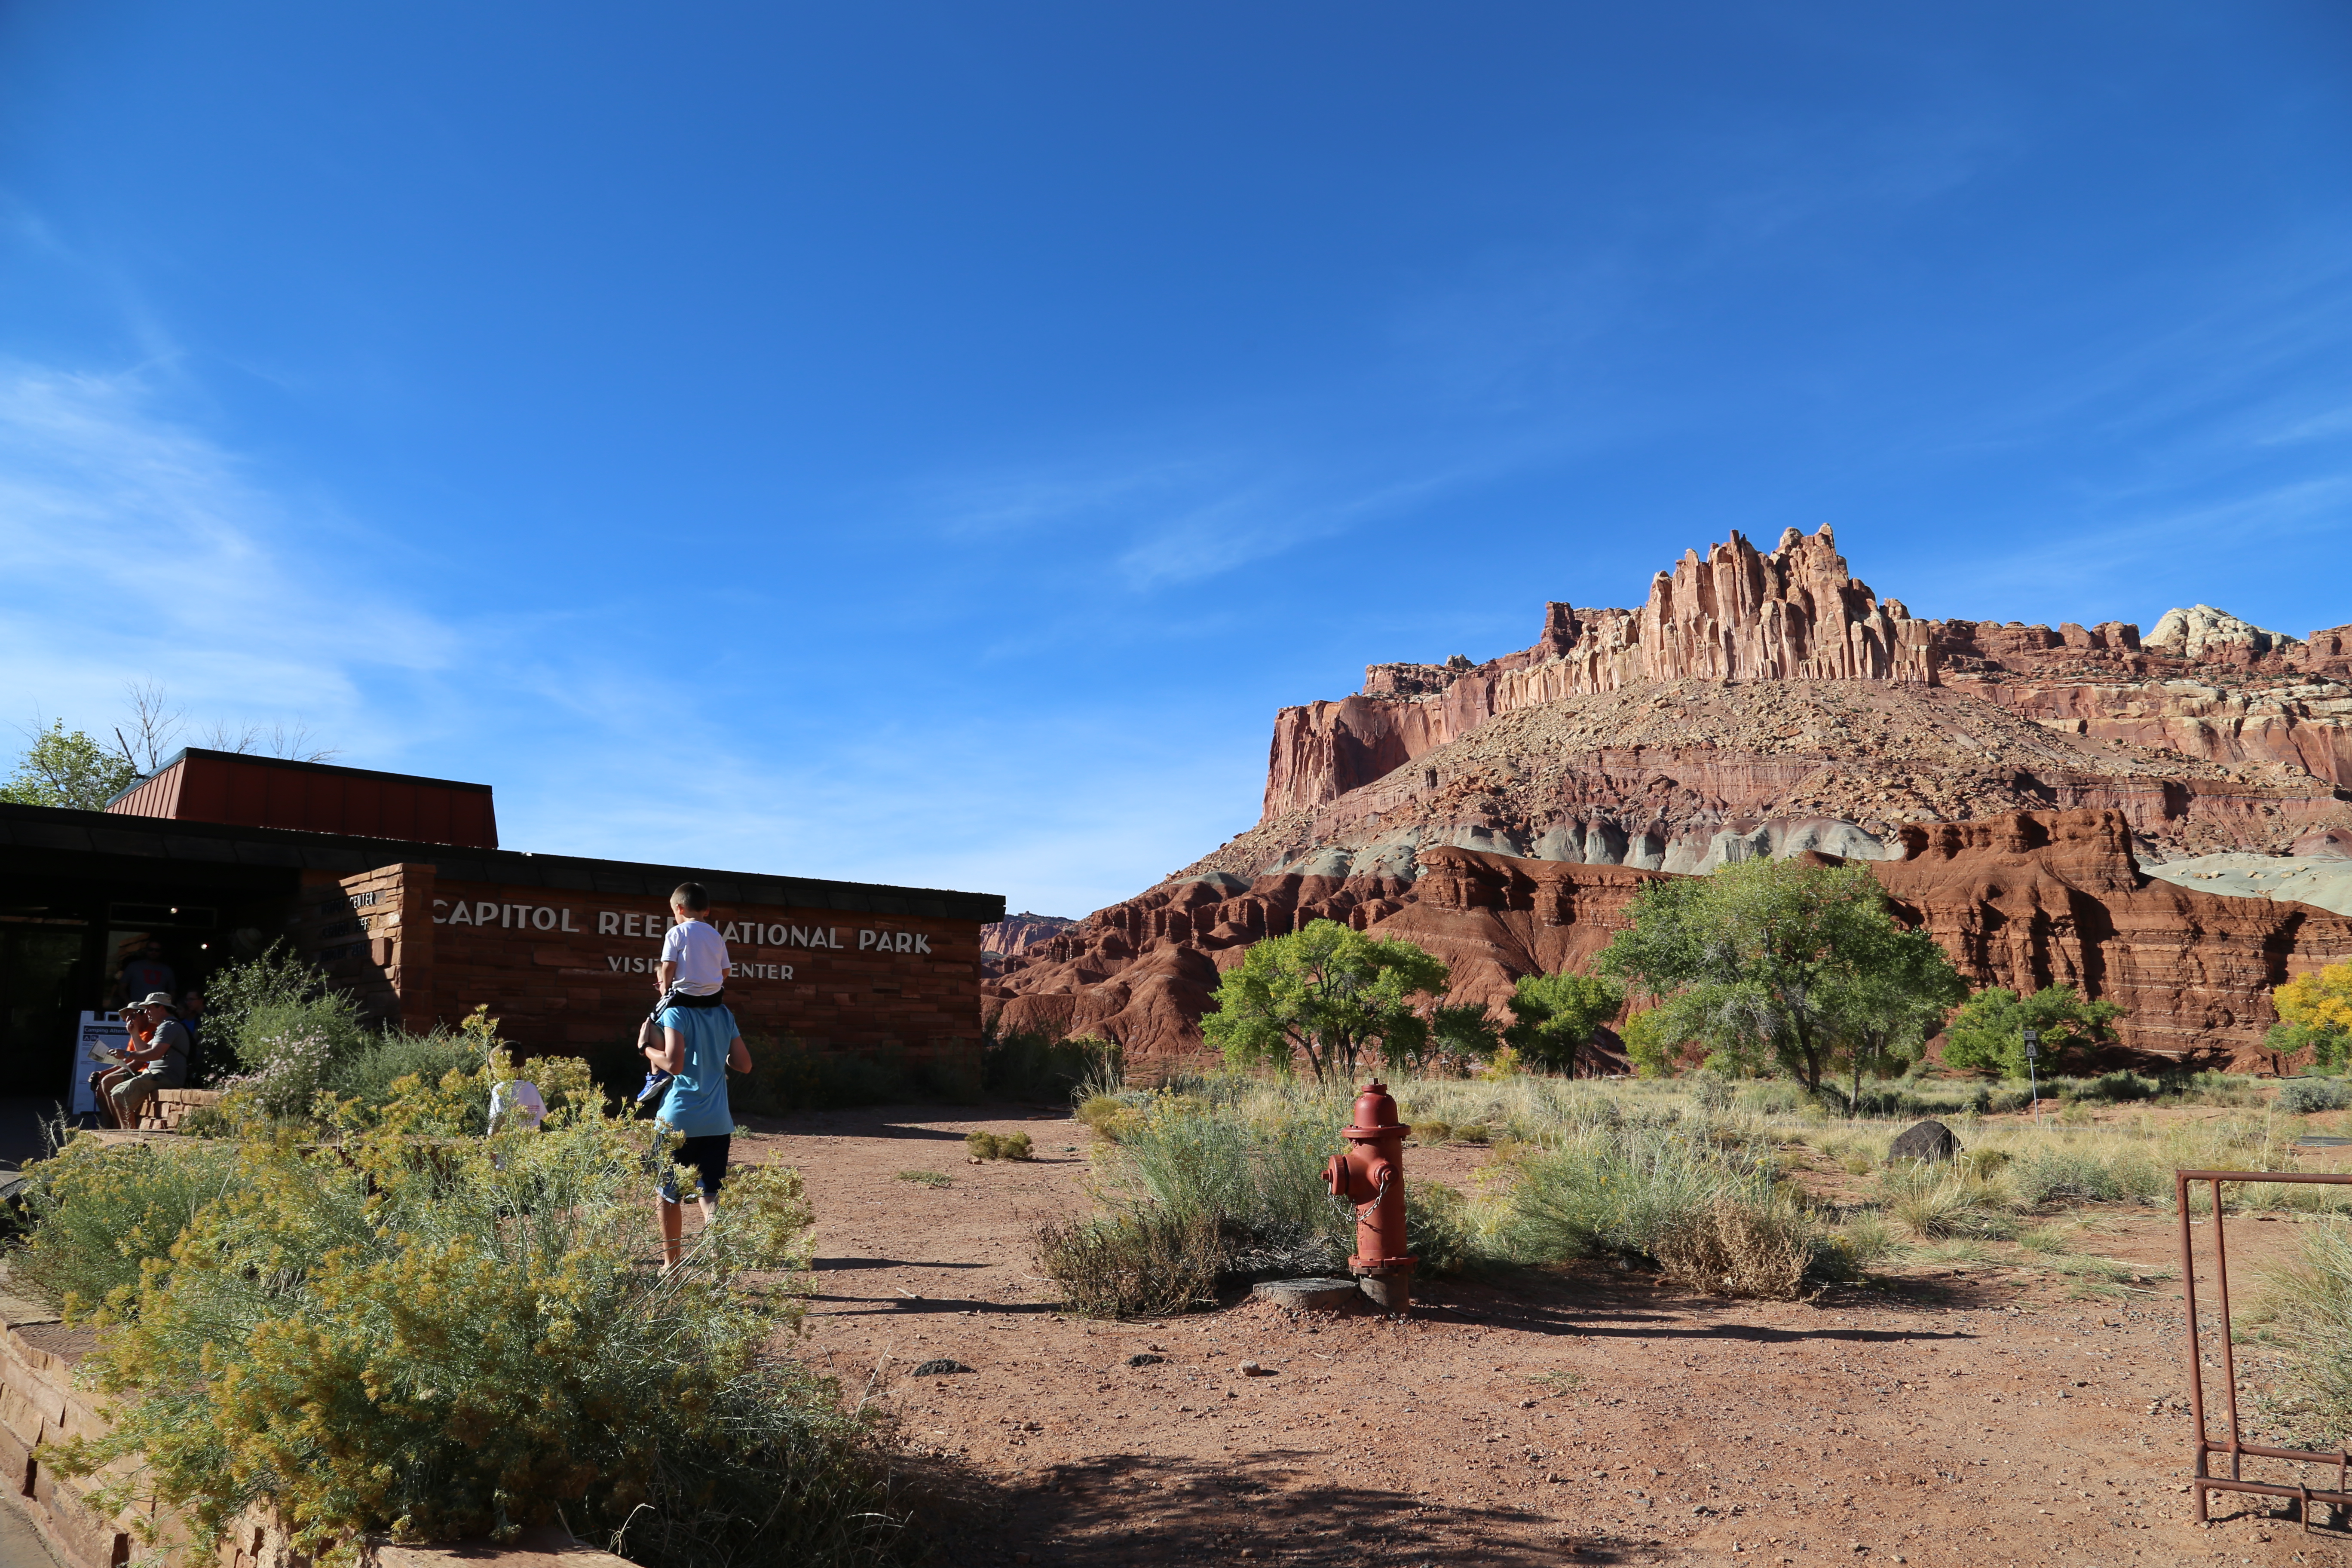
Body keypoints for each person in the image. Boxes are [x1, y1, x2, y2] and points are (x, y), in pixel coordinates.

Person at [645, 882, 749, 1268]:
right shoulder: (726, 1015)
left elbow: (673, 1062)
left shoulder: (675, 1011)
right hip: (718, 1121)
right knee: (711, 1191)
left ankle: (672, 1265)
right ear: (706, 910)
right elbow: (744, 1065)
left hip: (679, 1119)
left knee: (668, 1194)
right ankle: (717, 1252)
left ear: (677, 910)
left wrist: (647, 1049)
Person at [109, 992, 193, 1127]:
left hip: (166, 1076)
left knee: (120, 1095)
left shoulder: (170, 1026)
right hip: (156, 1075)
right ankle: (129, 1133)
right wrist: (134, 1034)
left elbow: (155, 1055)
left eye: (149, 1008)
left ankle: (130, 1136)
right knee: (117, 1091)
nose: (146, 1012)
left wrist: (127, 1054)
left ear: (161, 1008)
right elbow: (145, 1049)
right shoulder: (164, 1026)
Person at [118, 939, 176, 1009]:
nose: (154, 952)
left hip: (158, 1010)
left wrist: (166, 1008)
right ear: (146, 950)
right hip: (137, 1009)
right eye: (151, 949)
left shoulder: (167, 970)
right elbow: (121, 988)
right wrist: (130, 1004)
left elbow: (173, 991)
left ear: (161, 952)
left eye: (157, 950)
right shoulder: (134, 966)